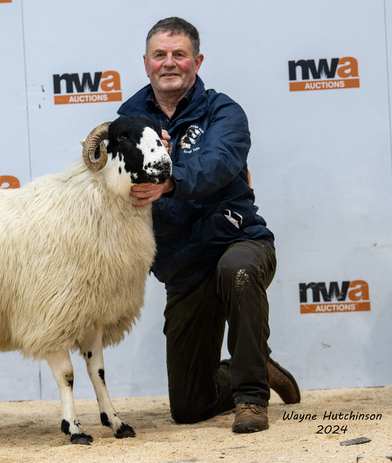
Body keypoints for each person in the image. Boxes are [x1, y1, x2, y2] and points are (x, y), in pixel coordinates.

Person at [117, 16, 300, 433]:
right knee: (188, 407)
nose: (169, 63)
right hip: (183, 268)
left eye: (179, 55)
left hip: (238, 242)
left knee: (236, 271)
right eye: (159, 55)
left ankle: (251, 398)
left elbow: (218, 164)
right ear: (145, 63)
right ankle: (252, 366)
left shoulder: (224, 111)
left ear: (196, 62)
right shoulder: (126, 121)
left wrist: (167, 176)